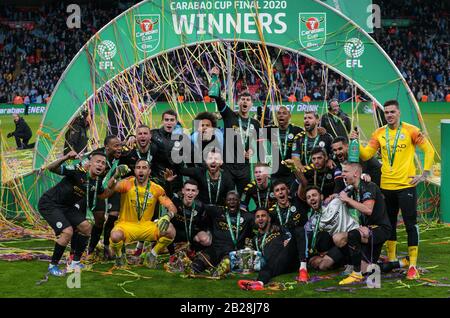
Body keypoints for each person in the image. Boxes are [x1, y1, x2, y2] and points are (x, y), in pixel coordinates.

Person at [351, 99, 435, 279]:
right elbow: (366, 155)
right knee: (389, 225)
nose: (389, 115)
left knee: (410, 224)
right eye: (386, 112)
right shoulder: (379, 133)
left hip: (406, 185)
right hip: (386, 186)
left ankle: (412, 265)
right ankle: (391, 259)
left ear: (399, 113)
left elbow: (429, 151)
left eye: (392, 112)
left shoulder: (411, 130)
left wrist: (424, 174)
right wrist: (356, 142)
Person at [37, 150, 114, 276]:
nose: (100, 165)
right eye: (97, 162)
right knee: (67, 232)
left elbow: (103, 195)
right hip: (50, 204)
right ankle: (53, 265)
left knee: (86, 228)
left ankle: (75, 263)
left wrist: (114, 183)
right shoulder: (77, 171)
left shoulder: (97, 182)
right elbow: (51, 168)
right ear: (90, 163)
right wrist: (66, 157)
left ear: (105, 167)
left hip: (67, 207)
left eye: (103, 163)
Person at [109, 159, 178, 268]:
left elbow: (172, 207)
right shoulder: (127, 184)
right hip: (126, 225)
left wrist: (168, 216)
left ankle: (152, 254)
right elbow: (110, 187)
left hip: (146, 226)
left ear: (149, 171)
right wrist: (116, 175)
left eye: (144, 168)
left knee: (170, 230)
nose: (141, 171)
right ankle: (119, 257)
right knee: (115, 236)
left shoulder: (156, 188)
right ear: (135, 170)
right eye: (138, 168)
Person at [336, 162, 393, 284]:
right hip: (368, 230)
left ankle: (356, 274)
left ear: (356, 173)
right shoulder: (353, 189)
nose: (342, 174)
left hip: (381, 229)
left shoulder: (368, 186)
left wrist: (347, 199)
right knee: (368, 269)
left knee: (352, 235)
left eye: (345, 171)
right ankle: (399, 263)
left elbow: (368, 210)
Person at [210, 66, 263, 194]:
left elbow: (257, 145)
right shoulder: (229, 116)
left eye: (248, 100)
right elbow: (217, 98)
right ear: (238, 102)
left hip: (244, 168)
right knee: (227, 197)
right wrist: (215, 77)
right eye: (242, 99)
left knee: (243, 197)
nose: (245, 102)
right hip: (228, 166)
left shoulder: (255, 123)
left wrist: (251, 150)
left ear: (251, 104)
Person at [188, 191, 254, 276]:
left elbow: (260, 221)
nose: (232, 202)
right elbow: (201, 205)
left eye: (234, 199)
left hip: (232, 250)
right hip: (215, 248)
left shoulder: (247, 216)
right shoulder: (217, 211)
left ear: (239, 201)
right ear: (225, 202)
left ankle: (221, 270)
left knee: (226, 261)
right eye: (229, 200)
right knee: (202, 258)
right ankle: (193, 269)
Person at [238, 208, 298, 290]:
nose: (260, 218)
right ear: (255, 220)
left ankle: (303, 268)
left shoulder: (279, 229)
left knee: (298, 232)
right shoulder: (255, 239)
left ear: (269, 218)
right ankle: (259, 283)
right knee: (267, 267)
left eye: (263, 216)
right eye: (257, 217)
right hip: (274, 263)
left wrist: (288, 239)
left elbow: (290, 237)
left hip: (287, 257)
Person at [87, 135, 123, 259]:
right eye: (116, 146)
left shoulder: (121, 155)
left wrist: (132, 136)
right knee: (99, 221)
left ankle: (107, 245)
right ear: (107, 147)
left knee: (113, 215)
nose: (120, 148)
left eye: (120, 145)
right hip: (97, 190)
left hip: (113, 187)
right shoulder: (97, 156)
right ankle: (90, 250)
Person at [269, 180, 310, 282]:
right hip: (288, 247)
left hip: (304, 243)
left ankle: (303, 268)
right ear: (274, 195)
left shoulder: (297, 201)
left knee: (299, 229)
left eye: (283, 189)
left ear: (288, 190)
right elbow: (275, 231)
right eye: (277, 190)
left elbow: (303, 183)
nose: (281, 192)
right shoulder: (272, 213)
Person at [168, 179, 211, 256]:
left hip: (190, 235)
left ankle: (193, 252)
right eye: (188, 190)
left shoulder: (201, 207)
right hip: (175, 234)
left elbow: (204, 226)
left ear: (197, 192)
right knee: (166, 227)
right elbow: (166, 194)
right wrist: (168, 182)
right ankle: (172, 254)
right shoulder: (175, 201)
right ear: (183, 191)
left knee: (206, 239)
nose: (190, 193)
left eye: (193, 190)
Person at [266, 106, 304, 185]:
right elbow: (253, 132)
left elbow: (310, 134)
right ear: (276, 116)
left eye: (284, 113)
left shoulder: (297, 130)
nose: (281, 115)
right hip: (275, 174)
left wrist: (320, 130)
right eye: (279, 113)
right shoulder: (270, 130)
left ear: (290, 116)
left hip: (292, 173)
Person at [151, 109, 186, 192]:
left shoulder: (181, 139)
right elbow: (140, 135)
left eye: (172, 120)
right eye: (166, 120)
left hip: (174, 181)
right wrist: (132, 137)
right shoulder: (153, 134)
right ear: (162, 121)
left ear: (176, 122)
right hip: (157, 179)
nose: (169, 122)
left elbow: (180, 163)